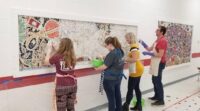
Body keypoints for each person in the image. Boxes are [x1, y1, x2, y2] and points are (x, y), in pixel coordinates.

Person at [44, 38, 78, 111]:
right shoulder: (73, 56)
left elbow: (46, 62)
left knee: (61, 109)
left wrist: (49, 50)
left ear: (61, 45)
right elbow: (63, 57)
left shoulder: (57, 56)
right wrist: (57, 49)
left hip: (61, 86)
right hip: (72, 85)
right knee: (71, 108)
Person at [139, 26, 168, 105]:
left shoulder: (163, 41)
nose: (155, 31)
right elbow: (149, 48)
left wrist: (149, 54)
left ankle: (161, 100)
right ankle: (157, 96)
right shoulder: (157, 40)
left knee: (157, 81)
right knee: (154, 80)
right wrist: (142, 43)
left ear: (161, 32)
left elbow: (160, 55)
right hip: (155, 62)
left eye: (157, 30)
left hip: (160, 63)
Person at [95, 36, 125, 111]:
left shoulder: (112, 53)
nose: (106, 47)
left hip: (110, 80)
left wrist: (96, 68)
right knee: (118, 96)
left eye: (106, 45)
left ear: (110, 44)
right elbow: (115, 60)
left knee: (111, 99)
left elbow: (104, 66)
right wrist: (105, 57)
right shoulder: (120, 51)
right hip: (118, 78)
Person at [122, 32, 144, 111]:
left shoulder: (133, 46)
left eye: (127, 38)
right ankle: (139, 106)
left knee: (130, 89)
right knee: (137, 88)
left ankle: (125, 107)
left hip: (136, 69)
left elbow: (134, 59)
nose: (126, 40)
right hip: (137, 68)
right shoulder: (134, 45)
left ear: (130, 38)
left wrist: (125, 59)